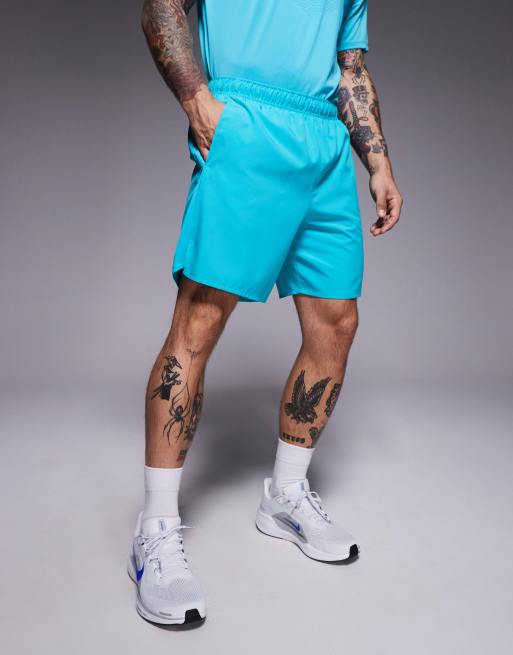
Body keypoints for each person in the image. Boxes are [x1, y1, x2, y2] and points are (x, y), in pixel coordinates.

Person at [128, 0, 403, 625]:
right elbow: (161, 7)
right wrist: (197, 101)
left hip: (325, 144)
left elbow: (350, 66)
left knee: (337, 322)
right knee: (199, 321)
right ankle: (155, 531)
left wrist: (379, 161)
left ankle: (285, 494)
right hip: (246, 124)